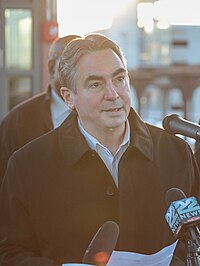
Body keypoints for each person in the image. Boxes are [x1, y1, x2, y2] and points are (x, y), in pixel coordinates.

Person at [0, 33, 199, 266]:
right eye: (96, 84)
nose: (113, 94)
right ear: (69, 97)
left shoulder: (176, 153)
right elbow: (9, 253)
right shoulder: (27, 165)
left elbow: (191, 238)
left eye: (119, 79)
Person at [0, 34, 80, 185]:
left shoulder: (101, 114)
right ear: (51, 68)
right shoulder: (17, 122)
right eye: (70, 66)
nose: (79, 75)